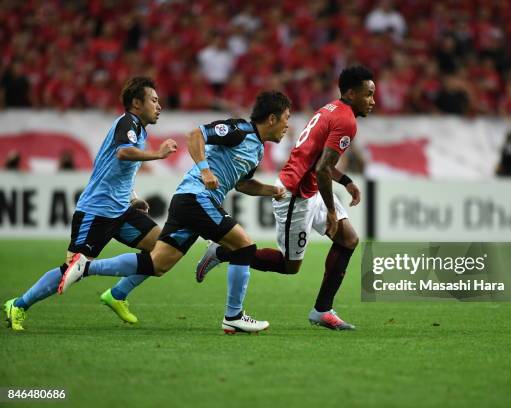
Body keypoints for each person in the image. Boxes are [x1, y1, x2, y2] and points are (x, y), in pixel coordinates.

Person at [58, 91, 292, 334]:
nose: (288, 124)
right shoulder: (239, 130)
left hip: (190, 201)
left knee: (157, 264)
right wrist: (205, 170)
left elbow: (243, 184)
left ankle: (85, 267)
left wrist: (271, 190)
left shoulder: (258, 151)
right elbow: (195, 135)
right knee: (244, 246)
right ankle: (233, 315)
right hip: (196, 197)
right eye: (287, 117)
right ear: (272, 118)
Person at [196, 66, 376, 330]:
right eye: (368, 94)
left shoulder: (331, 109)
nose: (373, 101)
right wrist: (332, 212)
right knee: (290, 266)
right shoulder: (346, 121)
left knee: (349, 240)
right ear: (351, 93)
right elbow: (322, 168)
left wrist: (346, 181)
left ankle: (322, 311)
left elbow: (318, 162)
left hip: (312, 187)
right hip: (295, 195)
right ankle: (223, 252)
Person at [4, 76, 178, 331]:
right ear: (136, 104)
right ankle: (18, 305)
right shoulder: (127, 122)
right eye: (154, 100)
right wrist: (159, 154)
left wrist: (132, 197)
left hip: (121, 209)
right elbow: (123, 153)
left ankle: (118, 295)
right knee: (70, 269)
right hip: (96, 211)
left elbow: (116, 168)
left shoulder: (139, 130)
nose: (159, 105)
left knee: (163, 249)